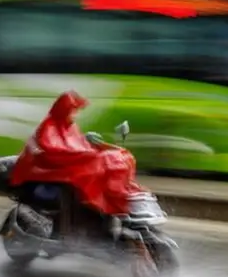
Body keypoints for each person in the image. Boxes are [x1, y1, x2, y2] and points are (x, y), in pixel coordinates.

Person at [9, 90, 134, 241]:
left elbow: (79, 145)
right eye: (72, 111)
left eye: (75, 112)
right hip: (46, 172)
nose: (74, 115)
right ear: (63, 110)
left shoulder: (71, 127)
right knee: (74, 188)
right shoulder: (49, 126)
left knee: (101, 176)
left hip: (64, 170)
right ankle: (66, 233)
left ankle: (96, 226)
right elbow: (53, 150)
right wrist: (85, 155)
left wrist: (98, 149)